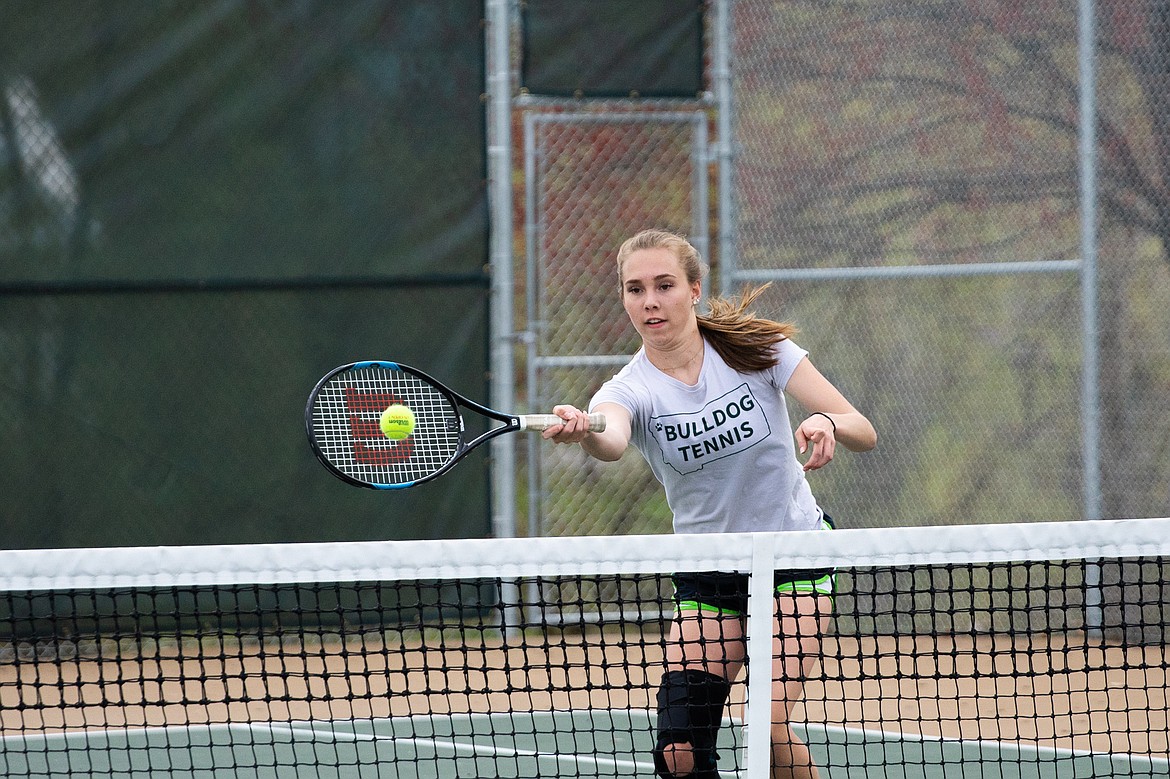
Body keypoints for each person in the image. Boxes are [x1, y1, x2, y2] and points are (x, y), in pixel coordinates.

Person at [542, 229, 877, 779]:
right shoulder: (629, 389)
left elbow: (862, 429)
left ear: (693, 290)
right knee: (679, 754)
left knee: (764, 730)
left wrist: (826, 421)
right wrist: (586, 431)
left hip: (793, 559)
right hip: (709, 571)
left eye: (664, 285)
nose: (650, 301)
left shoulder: (760, 351)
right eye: (635, 289)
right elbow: (612, 440)